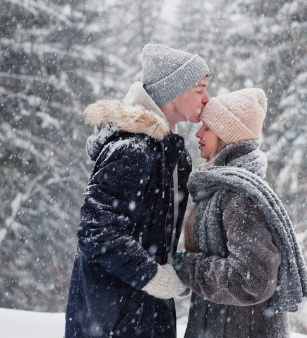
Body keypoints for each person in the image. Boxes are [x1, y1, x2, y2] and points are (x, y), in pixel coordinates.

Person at [64, 44, 210, 338]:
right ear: (174, 91)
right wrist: (153, 277)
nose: (207, 99)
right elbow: (97, 232)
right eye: (200, 89)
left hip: (145, 311)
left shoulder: (174, 155)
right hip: (110, 316)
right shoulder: (133, 150)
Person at [173, 88, 307, 338]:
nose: (198, 133)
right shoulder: (222, 190)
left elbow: (251, 281)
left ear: (226, 135)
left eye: (207, 127)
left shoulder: (240, 198)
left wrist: (184, 266)